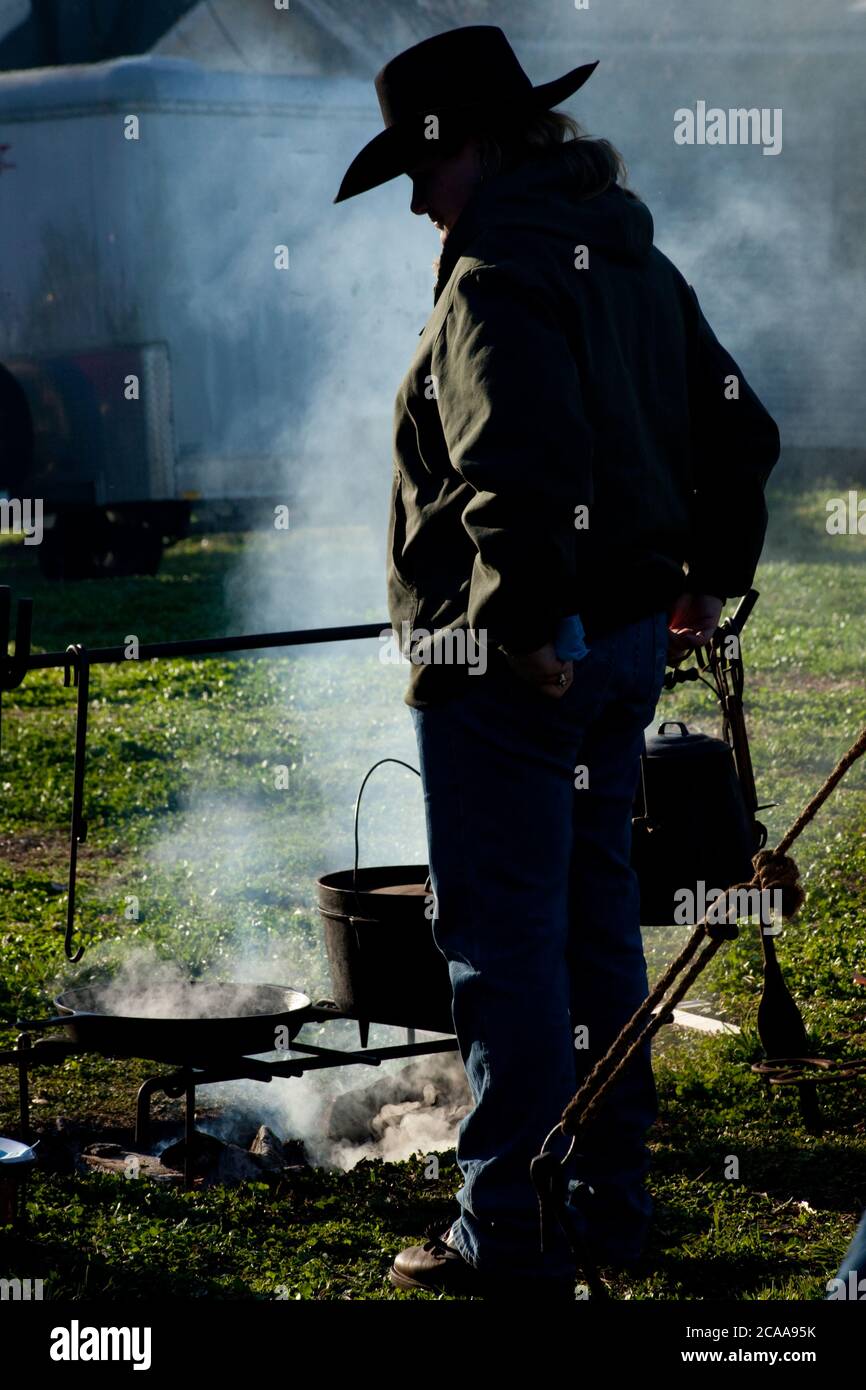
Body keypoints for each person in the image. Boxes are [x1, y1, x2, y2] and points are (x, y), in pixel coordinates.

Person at [335, 25, 780, 1298]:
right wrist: (701, 568)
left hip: (511, 659)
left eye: (422, 169)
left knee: (504, 941)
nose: (415, 197)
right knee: (591, 925)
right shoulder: (628, 257)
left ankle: (510, 1232)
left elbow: (516, 465)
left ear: (475, 145)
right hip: (624, 647)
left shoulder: (490, 277)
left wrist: (523, 618)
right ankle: (605, 1204)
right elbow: (739, 427)